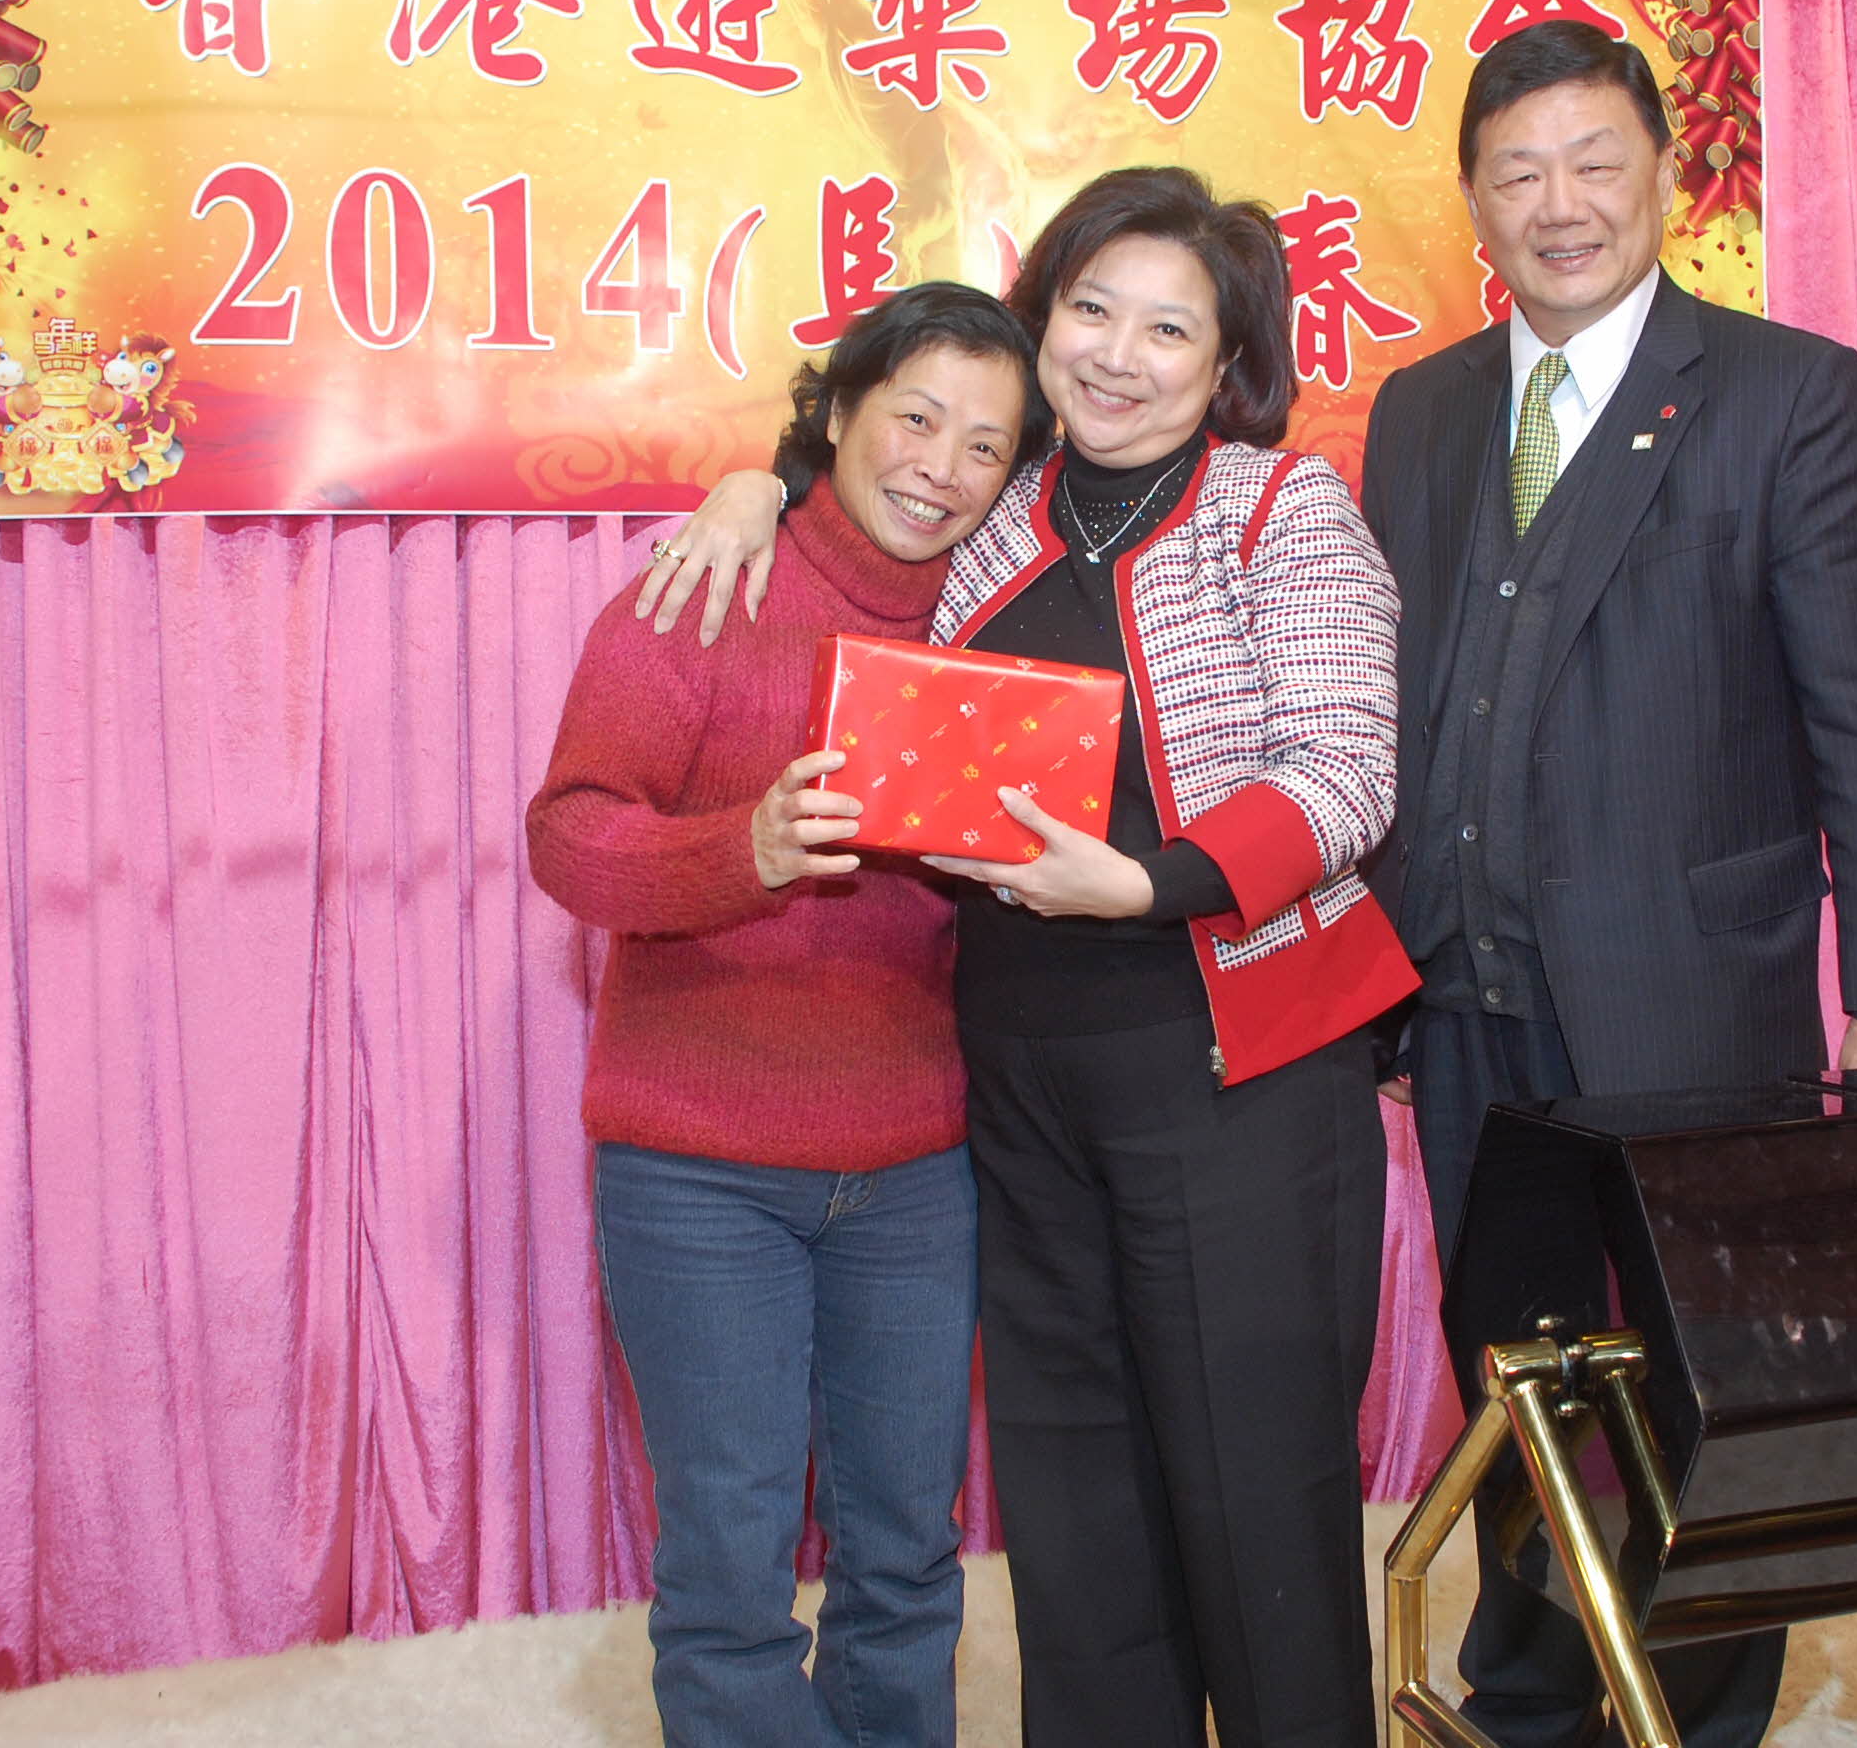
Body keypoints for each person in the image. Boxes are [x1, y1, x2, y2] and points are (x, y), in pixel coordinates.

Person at [649, 166, 1416, 1748]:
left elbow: (1348, 775)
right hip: (1018, 1080)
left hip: (1235, 1070)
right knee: (1076, 1507)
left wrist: (1145, 885)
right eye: (1089, 309)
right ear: (1043, 316)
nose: (1117, 355)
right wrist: (751, 488)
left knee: (1258, 1505)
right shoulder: (995, 509)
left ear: (1228, 362)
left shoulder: (1283, 509)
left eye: (1168, 329)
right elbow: (861, 486)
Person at [1359, 20, 1857, 1746]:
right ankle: (1530, 1697)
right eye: (1518, 173)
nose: (1560, 204)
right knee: (1517, 1381)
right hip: (1466, 1007)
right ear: (1473, 202)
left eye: (1594, 162)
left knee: (1705, 1393)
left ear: (1668, 179)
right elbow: (1402, 700)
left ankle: (1688, 1719)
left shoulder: (1789, 394)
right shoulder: (1423, 411)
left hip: (1695, 1004)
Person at [525, 282, 1053, 1748]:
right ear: (837, 414)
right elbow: (570, 837)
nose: (942, 468)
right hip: (697, 1170)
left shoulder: (1001, 623)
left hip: (919, 1170)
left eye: (986, 447)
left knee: (908, 1557)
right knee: (729, 1571)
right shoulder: (711, 583)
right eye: (916, 419)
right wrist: (739, 851)